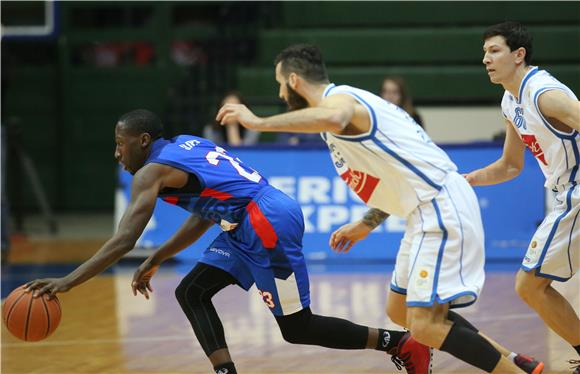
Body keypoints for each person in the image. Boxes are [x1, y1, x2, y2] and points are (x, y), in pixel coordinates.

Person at [26, 109, 435, 374]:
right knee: (192, 291)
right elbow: (204, 213)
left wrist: (68, 282)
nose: (117, 153)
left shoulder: (150, 173)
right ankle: (226, 372)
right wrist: (159, 258)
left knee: (297, 327)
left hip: (265, 221)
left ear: (144, 141)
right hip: (241, 222)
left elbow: (123, 240)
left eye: (120, 144)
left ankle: (400, 343)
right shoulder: (185, 144)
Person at [217, 44, 544, 373]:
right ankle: (517, 361)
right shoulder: (344, 117)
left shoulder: (340, 102)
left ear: (294, 81)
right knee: (400, 310)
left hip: (440, 206)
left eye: (279, 84)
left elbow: (333, 116)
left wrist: (257, 122)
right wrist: (366, 224)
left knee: (425, 326)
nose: (279, 92)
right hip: (422, 209)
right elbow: (395, 180)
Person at [464, 21, 580, 372]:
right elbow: (511, 166)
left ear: (519, 55)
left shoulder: (544, 93)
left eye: (494, 51)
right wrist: (465, 180)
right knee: (531, 287)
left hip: (577, 192)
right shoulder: (509, 101)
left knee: (530, 285)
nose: (486, 59)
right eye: (484, 52)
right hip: (564, 193)